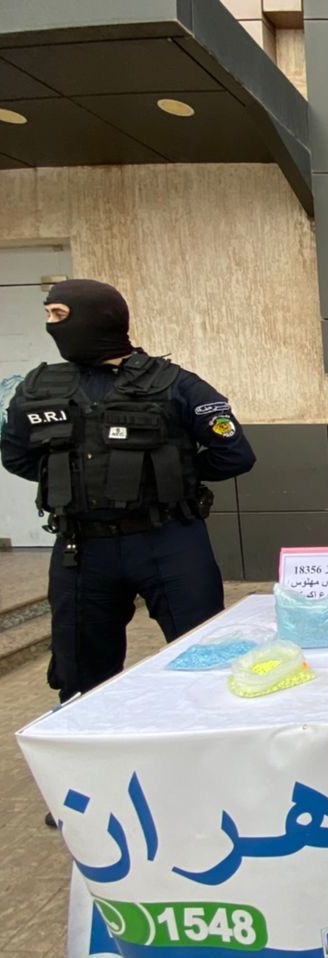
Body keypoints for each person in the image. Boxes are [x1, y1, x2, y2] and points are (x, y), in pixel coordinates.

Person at [1, 279, 257, 706]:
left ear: (98, 317)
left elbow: (234, 454)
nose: (50, 325)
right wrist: (76, 483)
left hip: (168, 539)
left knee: (205, 655)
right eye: (47, 315)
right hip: (81, 549)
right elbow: (17, 457)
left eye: (59, 315)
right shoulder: (39, 388)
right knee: (80, 676)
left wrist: (170, 478)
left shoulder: (174, 384)